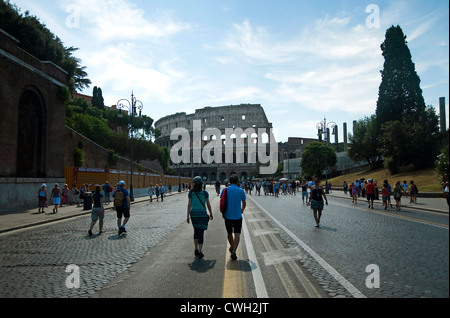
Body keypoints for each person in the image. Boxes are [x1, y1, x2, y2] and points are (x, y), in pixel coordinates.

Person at [220, 174, 246, 260]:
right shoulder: (241, 190)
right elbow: (244, 203)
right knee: (237, 234)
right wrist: (242, 209)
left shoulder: (225, 190)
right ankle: (234, 251)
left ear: (229, 182)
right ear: (238, 181)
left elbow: (222, 201)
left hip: (227, 215)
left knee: (229, 233)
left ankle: (231, 246)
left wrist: (223, 212)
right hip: (237, 216)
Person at [187, 176, 213, 259]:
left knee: (196, 231)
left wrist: (187, 216)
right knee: (201, 233)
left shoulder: (191, 193)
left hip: (193, 214)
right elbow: (208, 204)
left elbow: (189, 205)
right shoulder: (204, 193)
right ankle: (200, 251)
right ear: (201, 183)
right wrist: (211, 213)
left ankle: (196, 248)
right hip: (202, 214)